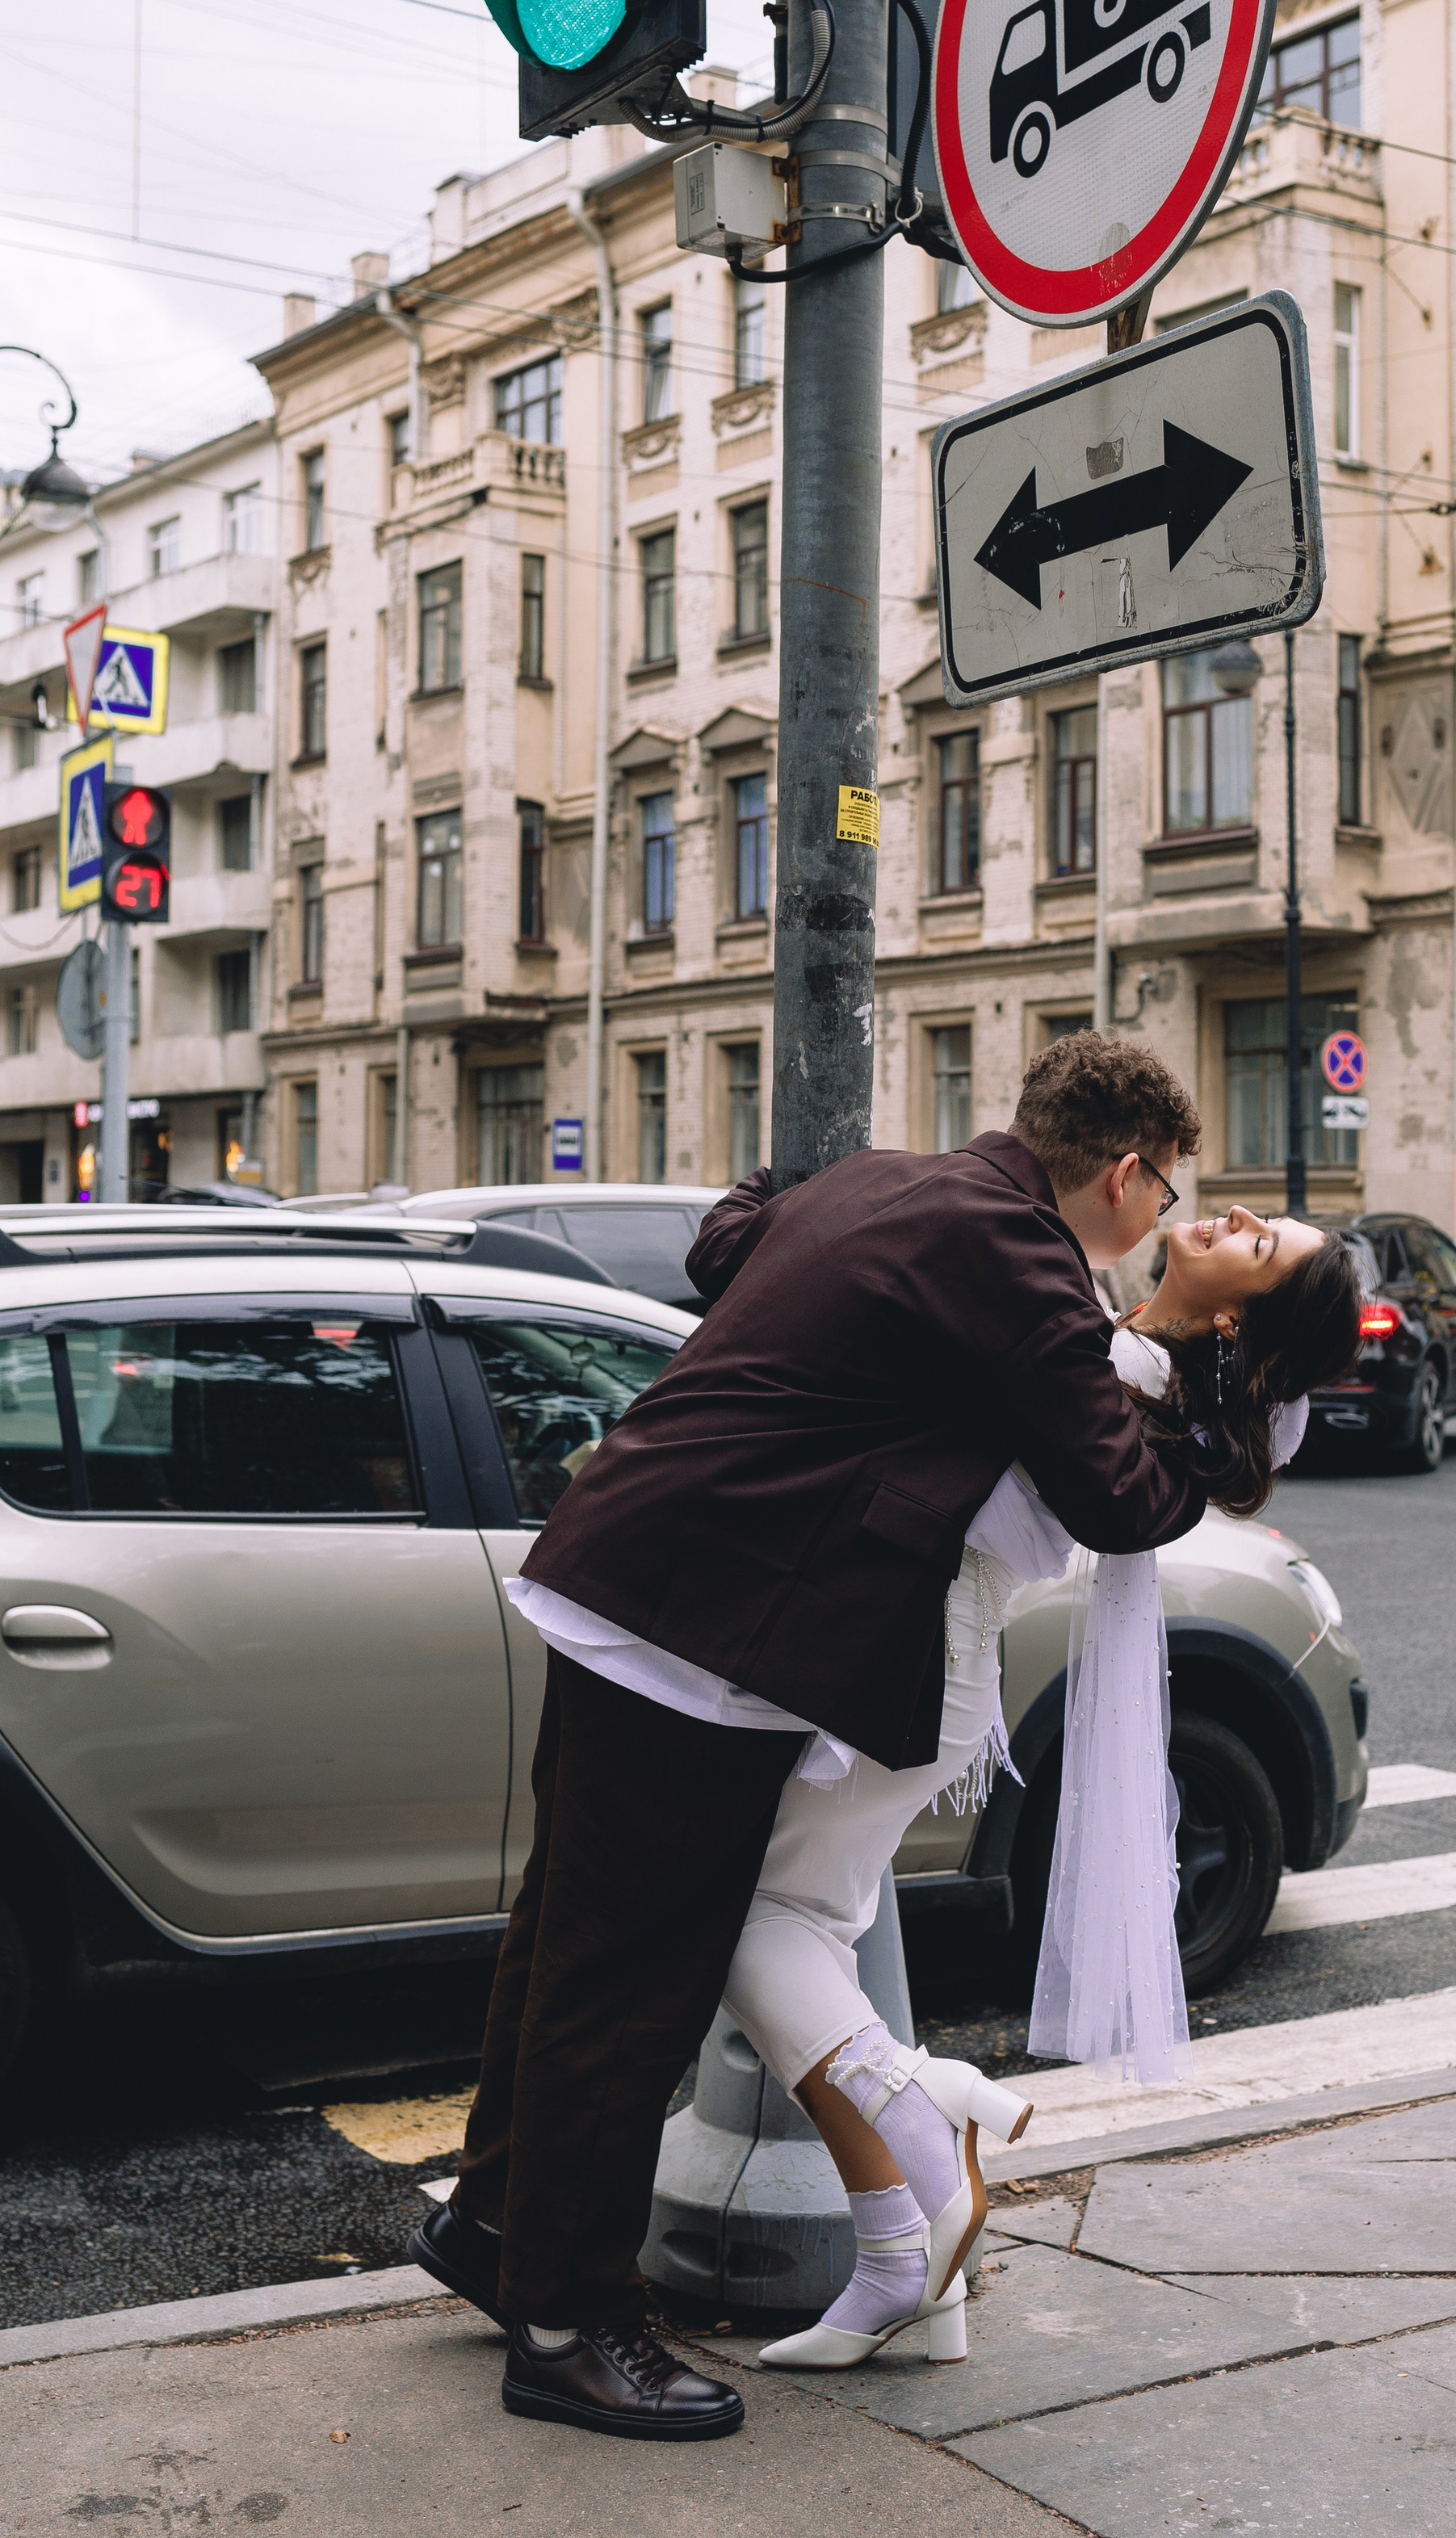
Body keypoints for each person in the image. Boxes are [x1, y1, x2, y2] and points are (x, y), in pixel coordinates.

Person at [413, 1034, 1214, 2440]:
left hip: (630, 1580)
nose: (1158, 1223)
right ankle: (566, 2324)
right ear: (1128, 1172)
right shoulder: (1021, 1256)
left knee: (564, 1946)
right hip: (708, 1637)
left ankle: (495, 2230)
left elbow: (730, 1235)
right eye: (1163, 1194)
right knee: (631, 1986)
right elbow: (1119, 1497)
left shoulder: (886, 1185)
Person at [724, 1202, 1365, 2372]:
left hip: (912, 1663)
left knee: (755, 1931)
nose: (1232, 1215)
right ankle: (902, 2272)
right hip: (925, 1661)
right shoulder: (1125, 1355)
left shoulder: (1113, 1366)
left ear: (1233, 1312)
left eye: (1260, 1244)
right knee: (809, 1953)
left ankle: (931, 2120)